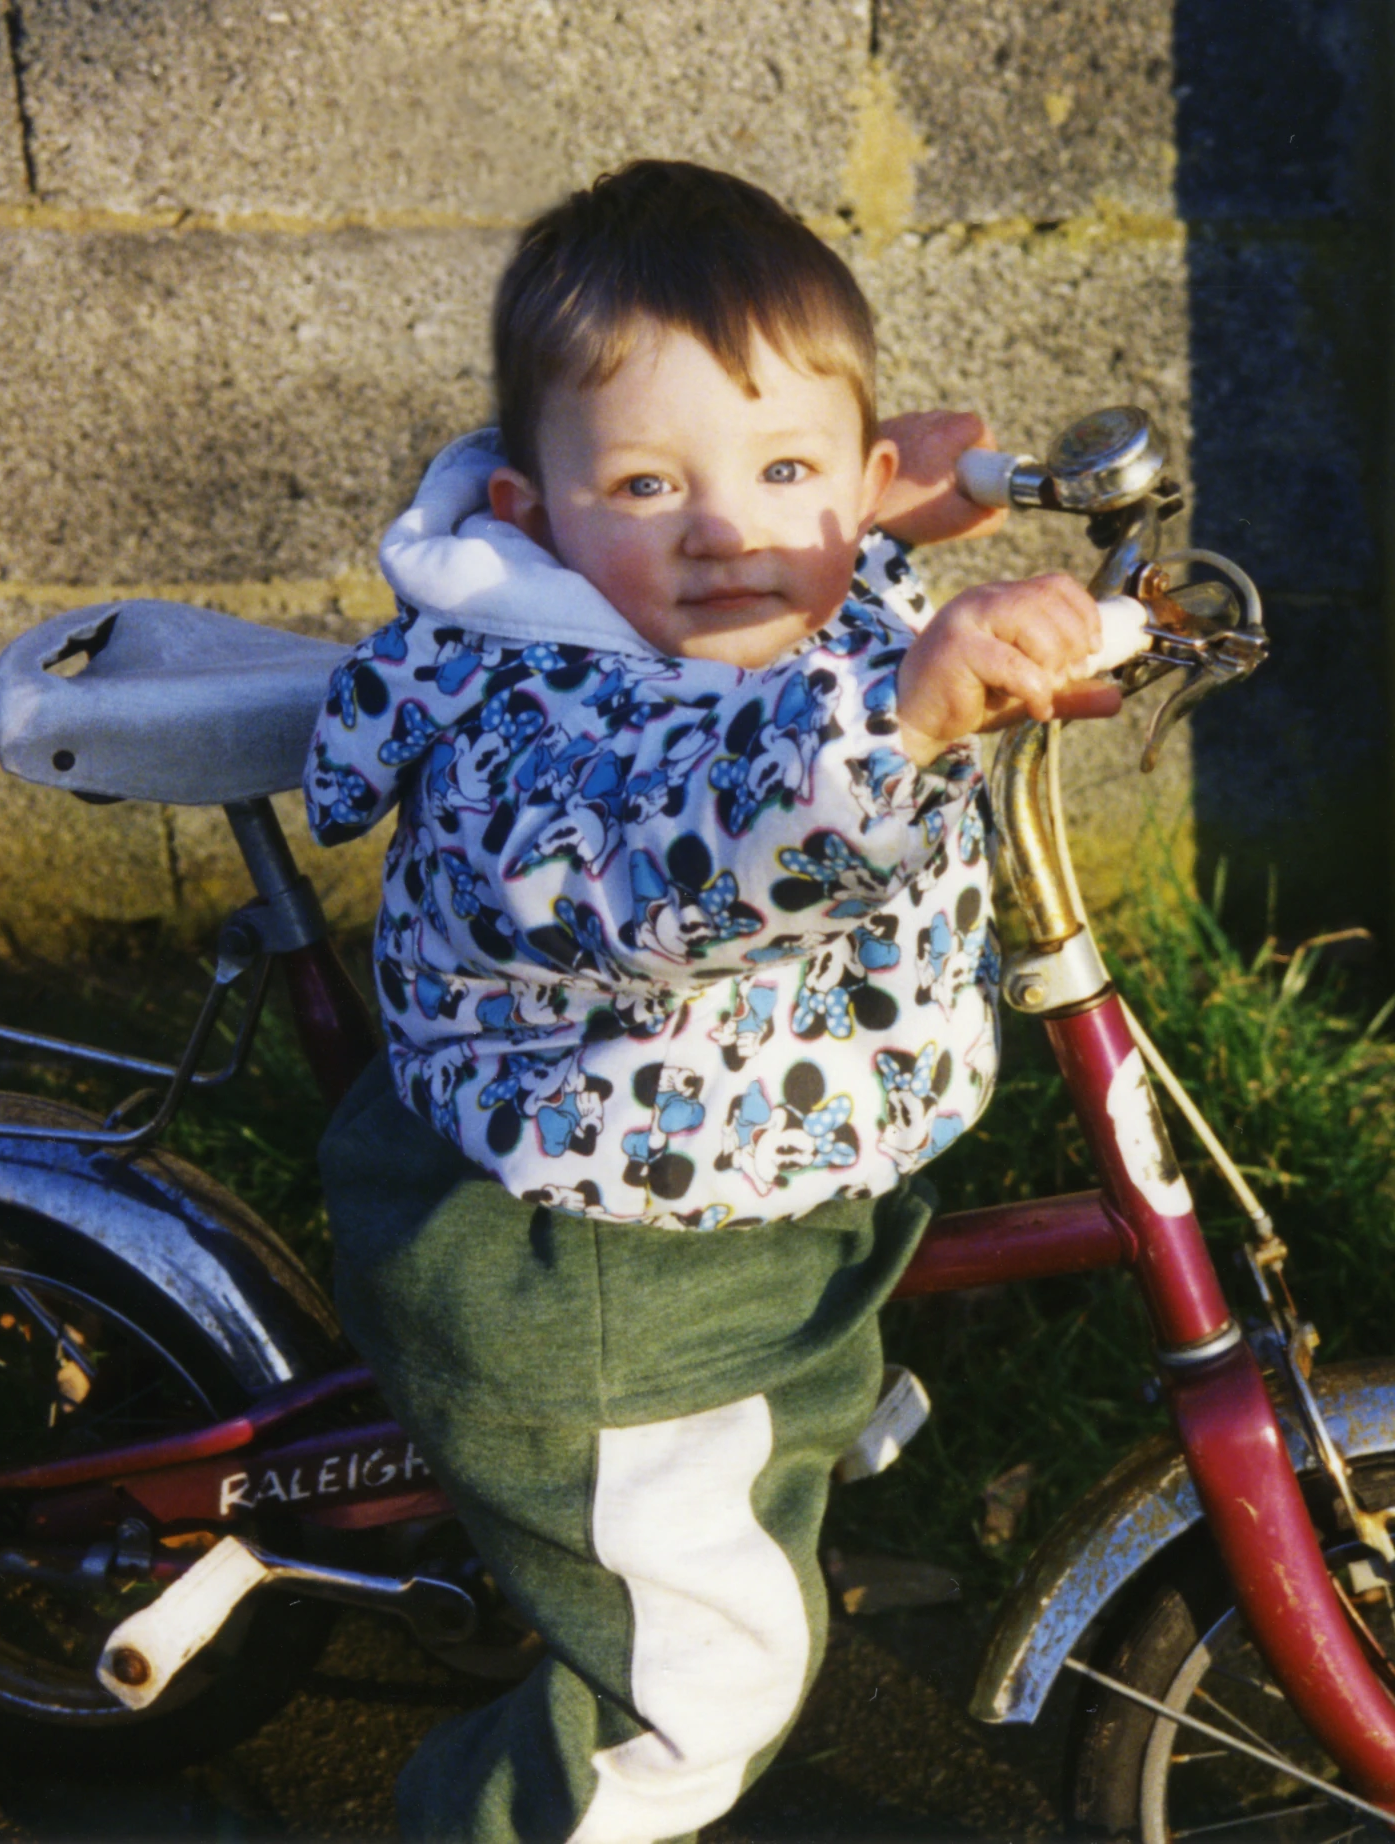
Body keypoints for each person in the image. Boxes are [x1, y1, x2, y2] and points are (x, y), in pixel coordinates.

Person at [304, 159, 1122, 1844]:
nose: (727, 530)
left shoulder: (770, 589)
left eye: (783, 469)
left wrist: (902, 521)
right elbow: (693, 846)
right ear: (532, 516)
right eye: (648, 480)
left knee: (781, 1454)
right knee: (703, 1693)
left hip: (740, 1206)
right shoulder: (534, 723)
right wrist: (902, 717)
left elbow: (778, 575)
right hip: (595, 1270)